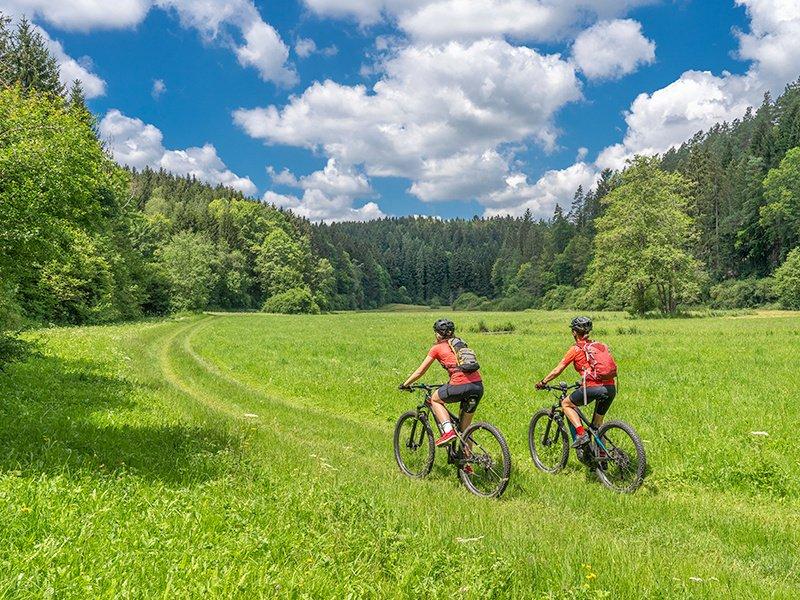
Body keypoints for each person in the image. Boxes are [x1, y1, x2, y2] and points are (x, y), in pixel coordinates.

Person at [400, 319, 484, 447]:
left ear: (438, 334)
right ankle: (467, 464)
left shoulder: (437, 348)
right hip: (477, 386)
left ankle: (448, 432)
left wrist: (405, 384)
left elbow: (420, 371)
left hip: (459, 385)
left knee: (435, 399)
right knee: (465, 429)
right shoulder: (460, 344)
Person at [535, 316, 616, 448]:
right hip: (610, 388)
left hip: (592, 387)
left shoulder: (576, 349)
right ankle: (601, 461)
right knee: (597, 427)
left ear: (574, 332)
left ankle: (581, 434)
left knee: (566, 403)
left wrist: (543, 382)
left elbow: (558, 369)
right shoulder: (599, 345)